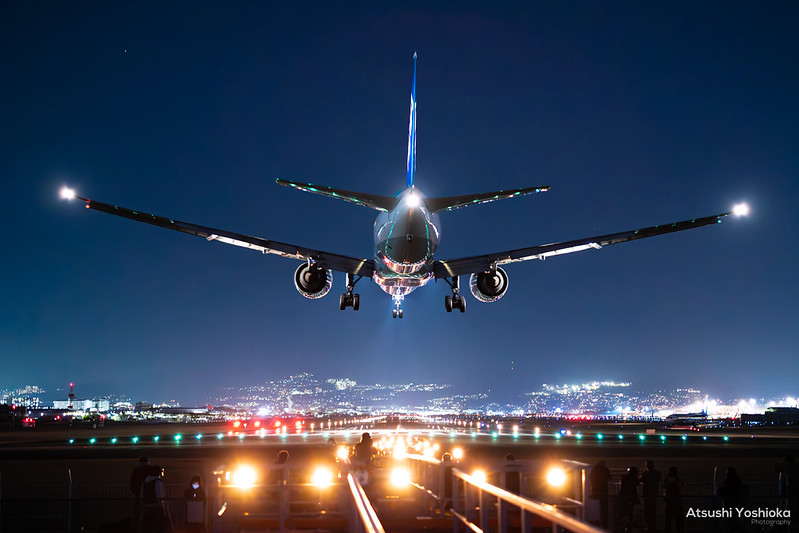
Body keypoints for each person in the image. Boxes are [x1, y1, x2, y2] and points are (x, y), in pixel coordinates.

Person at [140, 465, 171, 533]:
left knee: (147, 528)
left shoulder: (144, 482)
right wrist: (163, 507)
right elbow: (159, 496)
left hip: (146, 508)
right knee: (158, 528)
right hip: (156, 509)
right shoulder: (158, 482)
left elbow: (141, 496)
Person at [589, 460, 611, 529]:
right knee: (604, 507)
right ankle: (604, 523)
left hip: (595, 491)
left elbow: (591, 478)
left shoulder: (594, 470)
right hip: (604, 491)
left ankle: (596, 520)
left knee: (596, 507)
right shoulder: (605, 470)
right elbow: (609, 478)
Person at [640, 460, 661, 532]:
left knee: (647, 513)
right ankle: (653, 528)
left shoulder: (647, 474)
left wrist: (643, 472)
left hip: (647, 495)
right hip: (654, 494)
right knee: (653, 512)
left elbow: (640, 479)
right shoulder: (657, 473)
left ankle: (650, 528)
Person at [130, 457, 150, 532]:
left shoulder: (135, 470)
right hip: (148, 497)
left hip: (137, 495)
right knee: (147, 515)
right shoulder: (149, 470)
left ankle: (136, 529)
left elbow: (132, 483)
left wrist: (136, 492)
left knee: (136, 515)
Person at [618, 466, 640, 532]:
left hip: (624, 497)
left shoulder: (624, 477)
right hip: (631, 497)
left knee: (623, 513)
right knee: (630, 513)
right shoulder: (634, 478)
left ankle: (623, 527)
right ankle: (629, 527)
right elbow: (637, 484)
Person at [662, 466, 684, 533]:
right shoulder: (678, 480)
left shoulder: (666, 481)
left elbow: (664, 491)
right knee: (679, 523)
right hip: (677, 503)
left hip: (669, 504)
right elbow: (680, 490)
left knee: (668, 523)